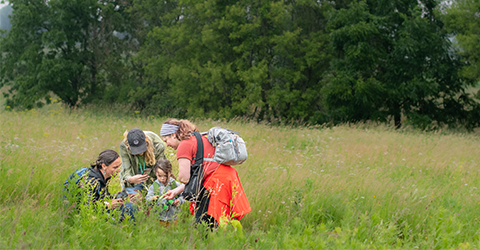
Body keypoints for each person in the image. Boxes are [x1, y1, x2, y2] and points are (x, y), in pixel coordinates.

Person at [160, 119, 251, 227]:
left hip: (215, 184)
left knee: (204, 226)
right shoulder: (198, 137)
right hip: (228, 179)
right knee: (224, 224)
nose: (167, 145)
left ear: (174, 135)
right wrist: (175, 191)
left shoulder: (184, 145)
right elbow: (197, 177)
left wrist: (178, 176)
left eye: (166, 140)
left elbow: (184, 178)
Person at [83, 149, 137, 222]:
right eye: (115, 167)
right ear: (104, 166)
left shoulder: (102, 174)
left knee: (129, 207)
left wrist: (115, 197)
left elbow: (100, 196)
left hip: (98, 211)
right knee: (130, 207)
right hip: (87, 216)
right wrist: (108, 205)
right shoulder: (93, 181)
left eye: (119, 166)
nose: (119, 170)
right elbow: (87, 206)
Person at [119, 128, 166, 199]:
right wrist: (130, 179)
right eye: (136, 150)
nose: (140, 153)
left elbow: (161, 168)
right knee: (136, 199)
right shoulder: (124, 146)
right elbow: (126, 169)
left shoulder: (158, 144)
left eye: (142, 148)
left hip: (152, 169)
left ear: (146, 140)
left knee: (154, 198)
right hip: (134, 171)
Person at [145, 159, 185, 225]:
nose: (162, 178)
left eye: (165, 175)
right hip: (159, 217)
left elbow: (184, 195)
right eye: (159, 176)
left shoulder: (175, 185)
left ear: (170, 172)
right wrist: (152, 198)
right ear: (155, 174)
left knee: (173, 233)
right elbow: (147, 199)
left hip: (174, 217)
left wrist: (179, 201)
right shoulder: (154, 186)